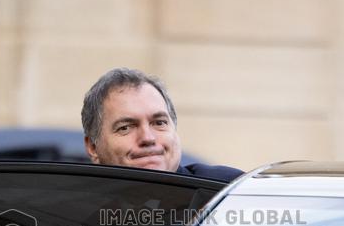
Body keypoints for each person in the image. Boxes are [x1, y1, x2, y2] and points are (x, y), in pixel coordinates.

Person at [81, 67, 242, 182]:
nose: (148, 138)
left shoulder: (230, 191)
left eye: (159, 123)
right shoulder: (73, 217)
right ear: (93, 148)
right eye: (126, 127)